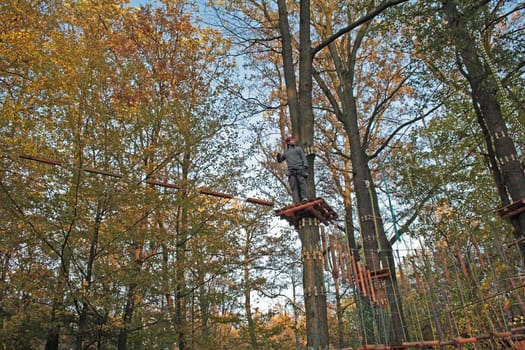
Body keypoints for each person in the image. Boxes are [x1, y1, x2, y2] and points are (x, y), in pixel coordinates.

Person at [276, 135, 309, 203]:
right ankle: (296, 201)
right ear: (288, 142)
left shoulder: (298, 149)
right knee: (294, 187)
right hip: (291, 171)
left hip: (300, 169)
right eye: (292, 140)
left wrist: (305, 166)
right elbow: (280, 160)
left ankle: (304, 198)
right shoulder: (286, 152)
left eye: (294, 140)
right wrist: (278, 157)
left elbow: (303, 157)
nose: (294, 141)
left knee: (302, 185)